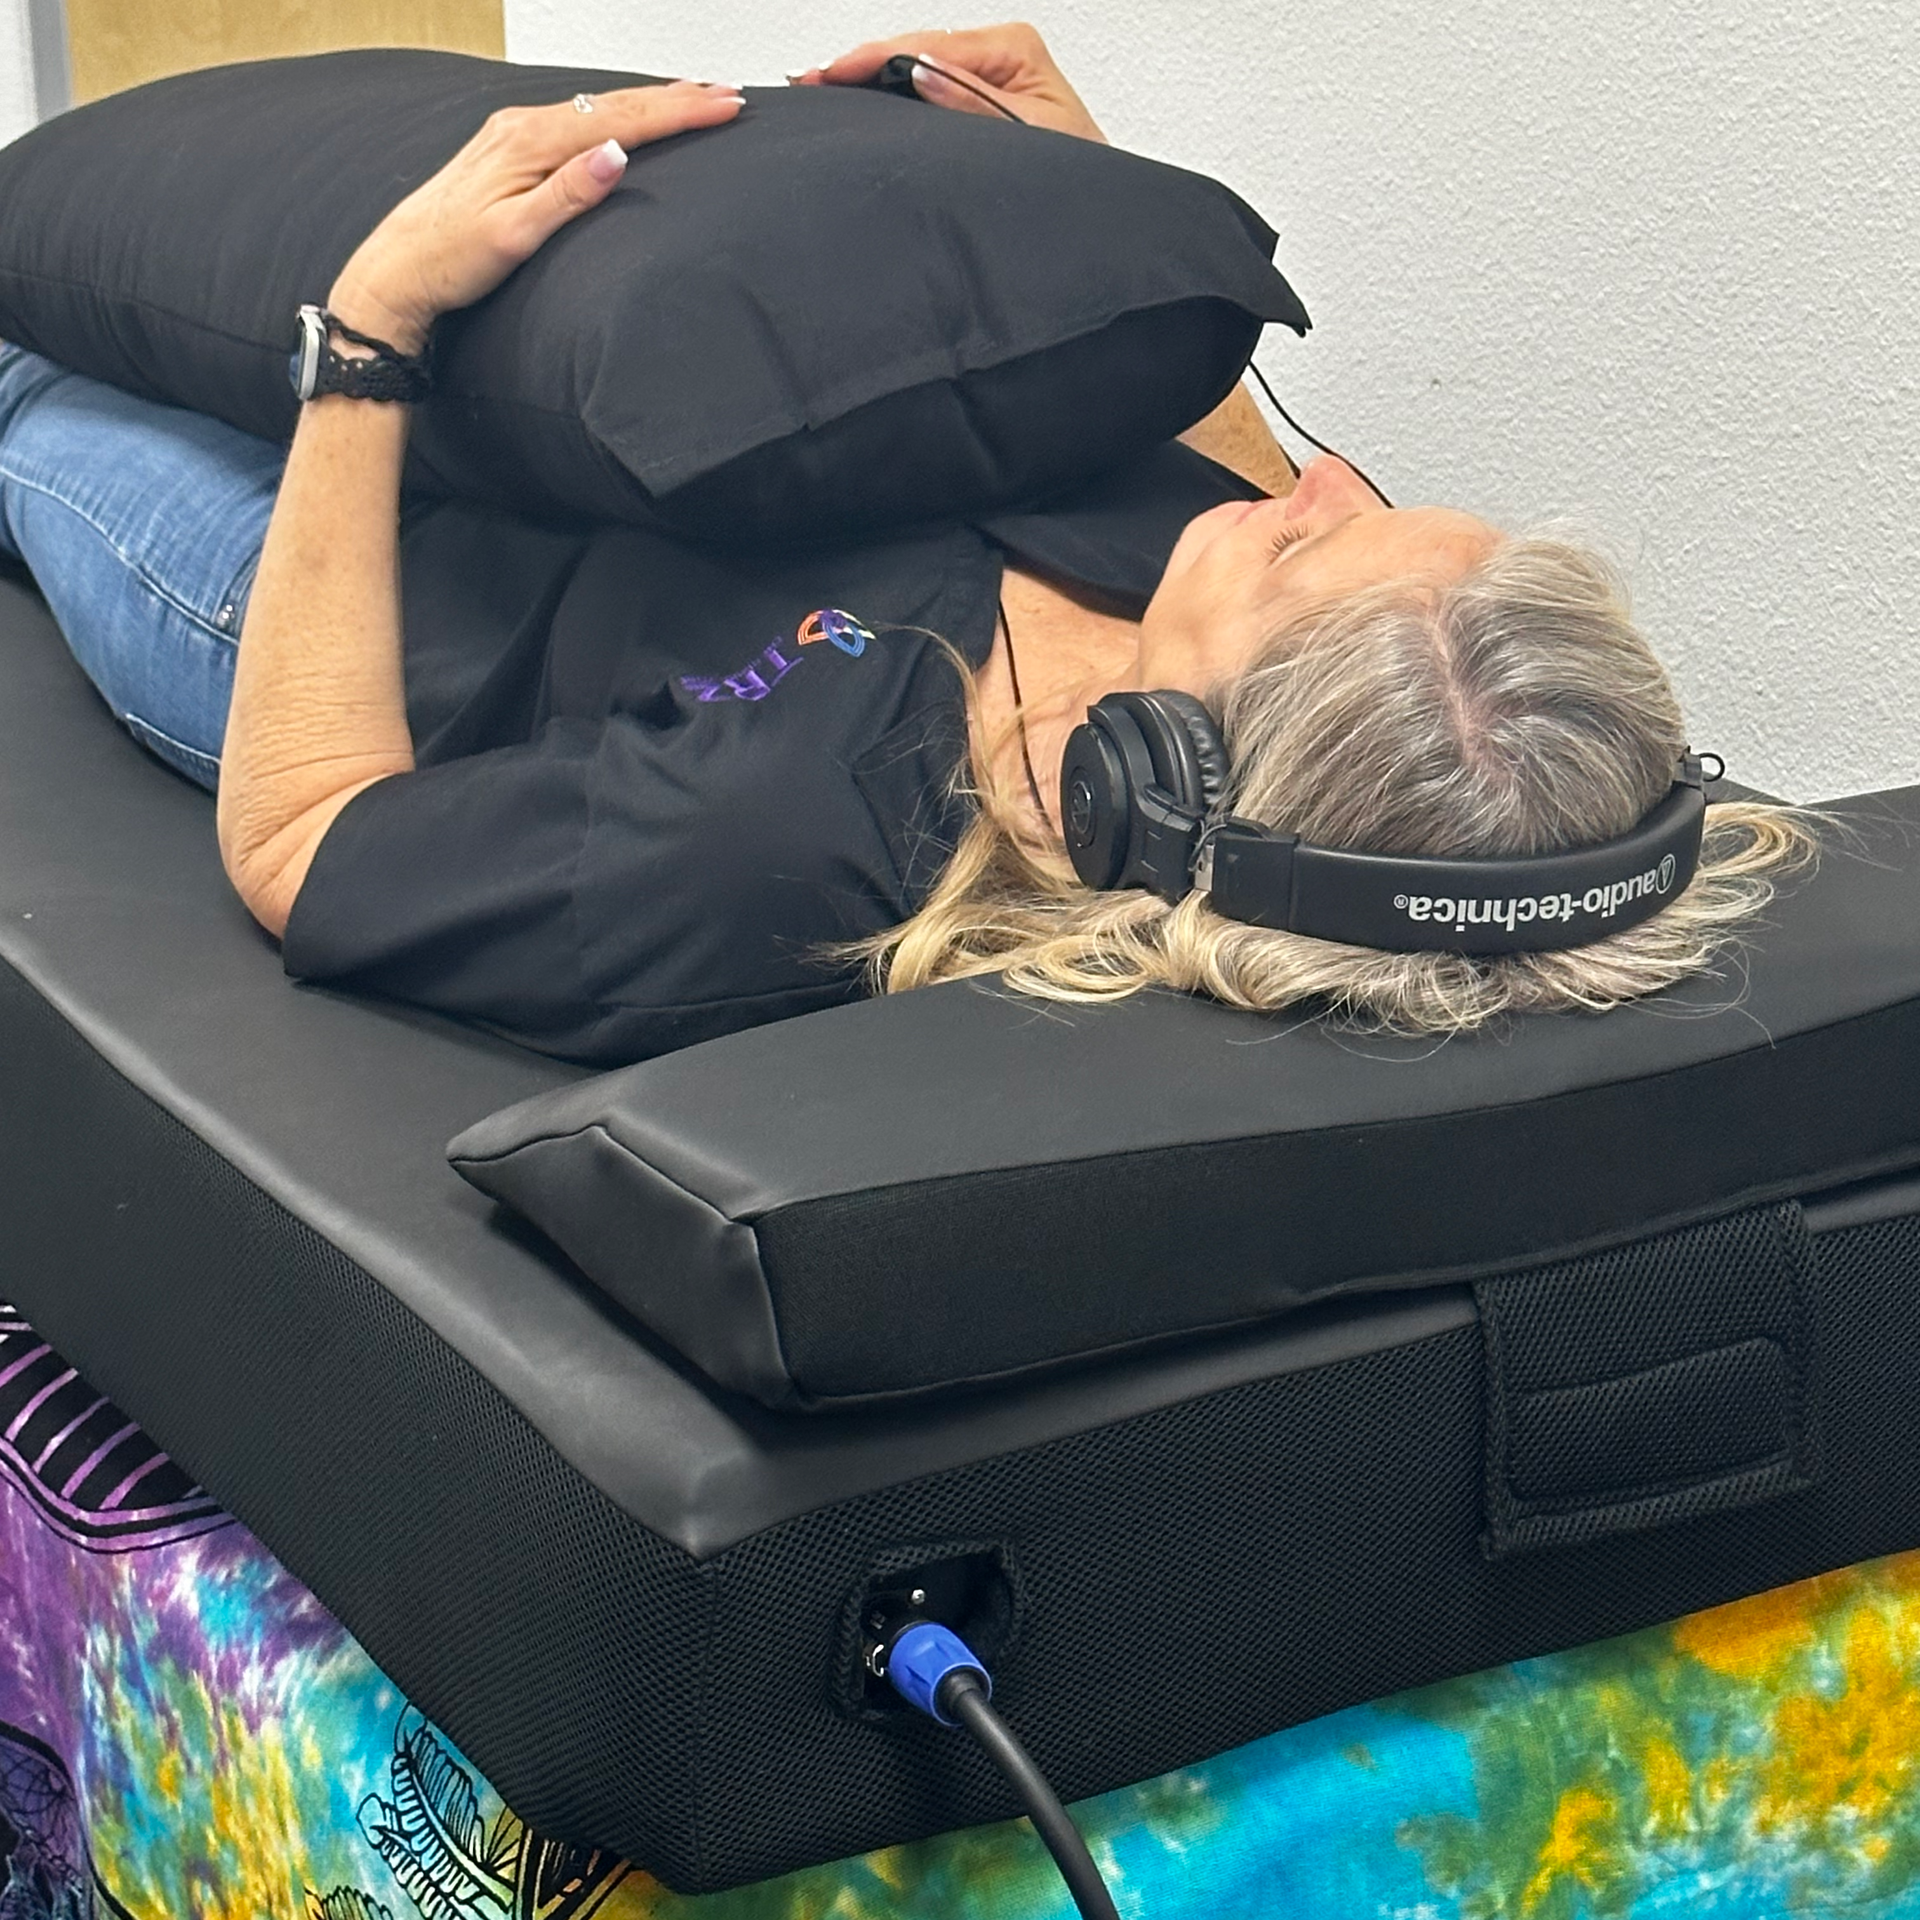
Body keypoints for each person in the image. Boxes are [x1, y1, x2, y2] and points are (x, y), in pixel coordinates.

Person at [0, 26, 1809, 1065]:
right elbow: (1248, 501)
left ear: (1173, 773)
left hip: (321, 634)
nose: (1309, 493)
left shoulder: (777, 848)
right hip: (537, 483)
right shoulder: (1241, 607)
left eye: (1297, 552)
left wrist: (371, 336)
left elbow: (312, 847)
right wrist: (1088, 186)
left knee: (23, 383)